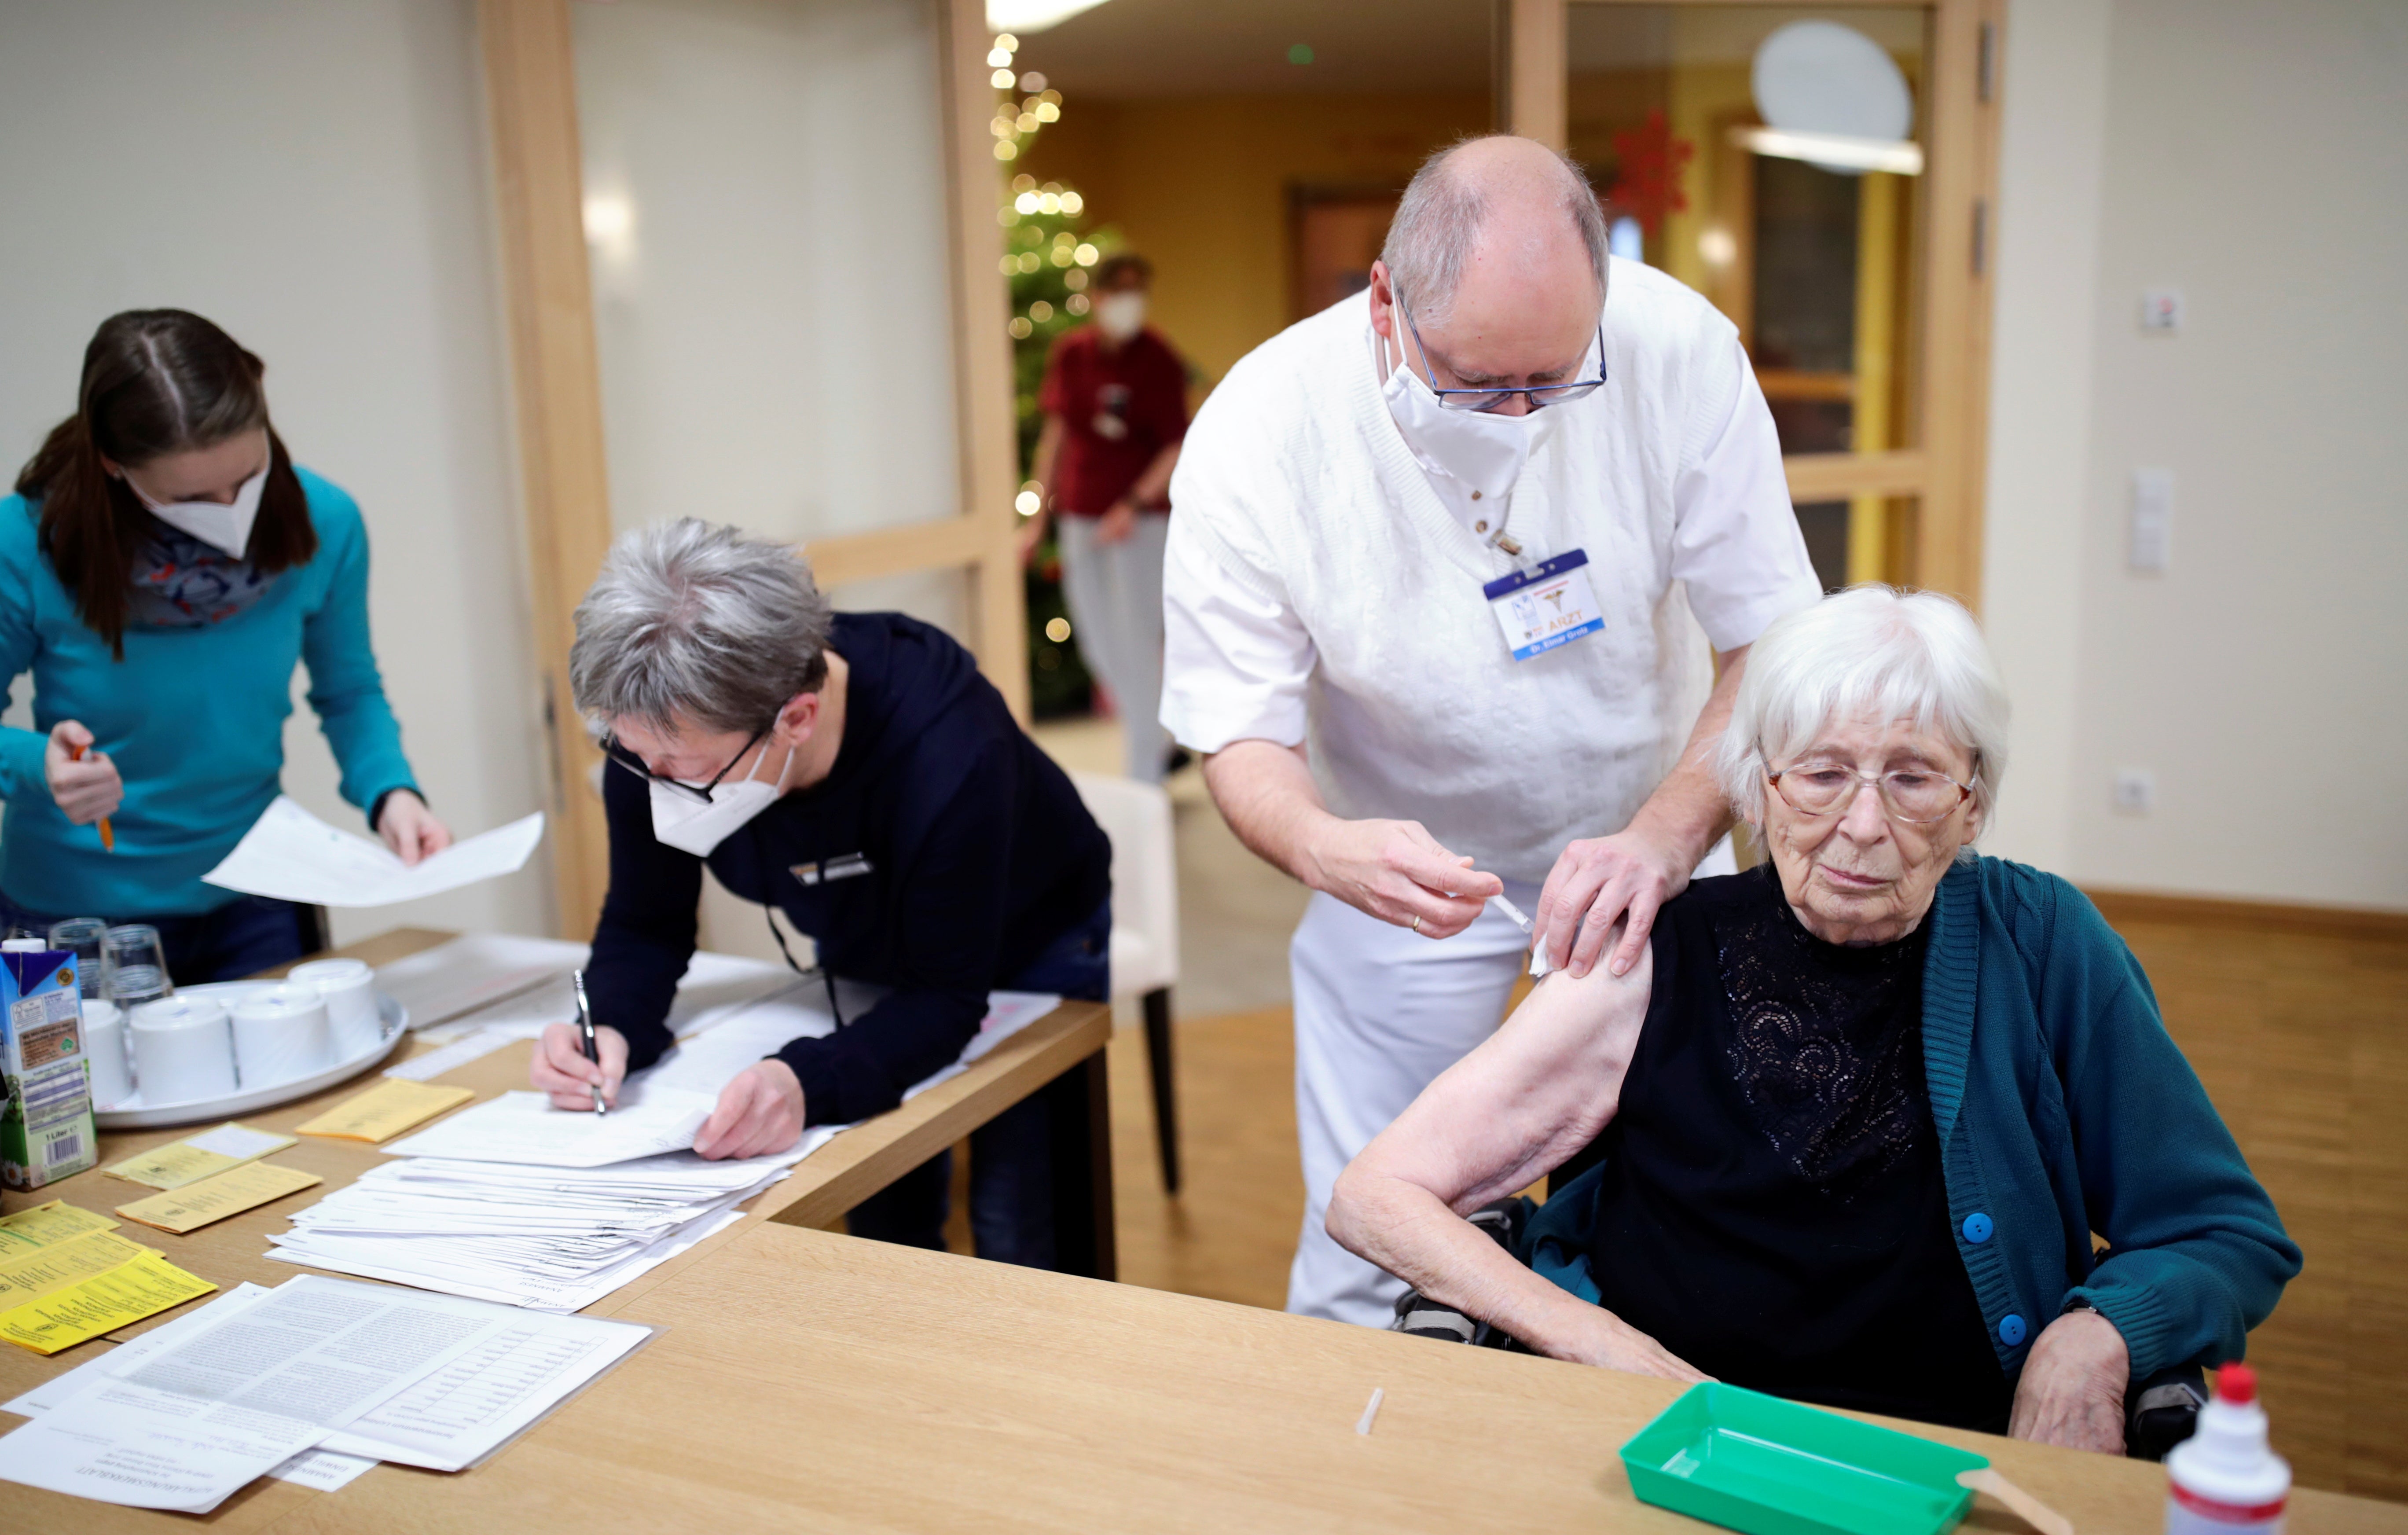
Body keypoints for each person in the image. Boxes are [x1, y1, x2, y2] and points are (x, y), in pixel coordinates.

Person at [1329, 586, 2301, 1451]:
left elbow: (2226, 1233)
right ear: (1760, 788)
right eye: (1823, 773)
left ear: (1974, 805)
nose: (1865, 825)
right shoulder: (1649, 955)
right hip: (1672, 1446)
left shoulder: (2044, 942)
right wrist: (1600, 1347)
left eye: (1914, 777)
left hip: (1945, 1460)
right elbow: (1377, 1195)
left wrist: (2097, 1336)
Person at [1161, 136, 1821, 1325]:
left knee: (1687, 1216)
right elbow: (1237, 732)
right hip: (1403, 865)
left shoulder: (1676, 354)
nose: (1519, 418)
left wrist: (1666, 838)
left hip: (1651, 838)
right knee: (1378, 1244)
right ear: (1384, 303)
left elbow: (1768, 645)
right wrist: (1323, 848)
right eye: (1476, 385)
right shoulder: (1263, 429)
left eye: (1553, 382)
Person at [531, 519, 1113, 1265]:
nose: (652, 782)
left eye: (683, 768)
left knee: (1019, 1224)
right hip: (862, 940)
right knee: (882, 1209)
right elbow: (647, 923)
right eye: (631, 754)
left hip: (1032, 939)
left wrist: (802, 1078)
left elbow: (943, 995)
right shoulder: (656, 737)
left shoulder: (950, 748)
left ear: (795, 719)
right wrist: (608, 1026)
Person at [0, 309, 451, 982]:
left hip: (261, 896)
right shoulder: (26, 542)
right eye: (192, 497)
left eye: (248, 477)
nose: (230, 508)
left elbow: (349, 690)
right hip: (72, 918)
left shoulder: (326, 521)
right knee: (79, 1095)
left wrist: (392, 793)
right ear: (112, 464)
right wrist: (43, 765)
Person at [1019, 253, 1188, 783]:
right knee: (1097, 642)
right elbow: (1056, 437)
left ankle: (1146, 779)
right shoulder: (1074, 355)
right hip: (1079, 516)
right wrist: (1036, 518)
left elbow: (1175, 445)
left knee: (1137, 642)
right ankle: (1159, 737)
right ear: (1098, 297)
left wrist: (1132, 505)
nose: (1129, 301)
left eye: (1140, 289)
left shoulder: (1158, 358)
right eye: (1120, 290)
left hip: (1139, 524)